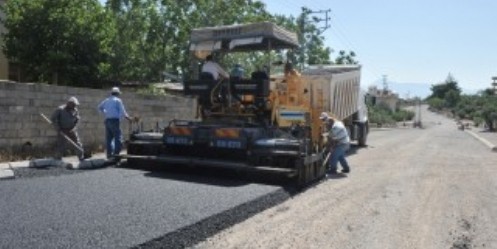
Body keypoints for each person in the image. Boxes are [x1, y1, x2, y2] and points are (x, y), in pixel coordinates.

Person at [98, 87, 132, 160]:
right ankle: (116, 154)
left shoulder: (107, 100)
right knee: (118, 137)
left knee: (109, 138)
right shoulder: (118, 100)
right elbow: (123, 111)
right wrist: (128, 118)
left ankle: (109, 155)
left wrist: (106, 113)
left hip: (107, 120)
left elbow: (99, 107)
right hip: (114, 120)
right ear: (117, 94)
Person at [50, 96, 84, 161]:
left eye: (75, 105)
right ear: (69, 103)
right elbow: (53, 119)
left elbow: (78, 120)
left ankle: (81, 156)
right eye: (73, 104)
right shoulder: (60, 109)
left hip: (72, 130)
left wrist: (74, 128)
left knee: (77, 143)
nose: (75, 106)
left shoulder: (75, 110)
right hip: (63, 130)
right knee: (61, 144)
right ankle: (58, 158)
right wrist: (58, 128)